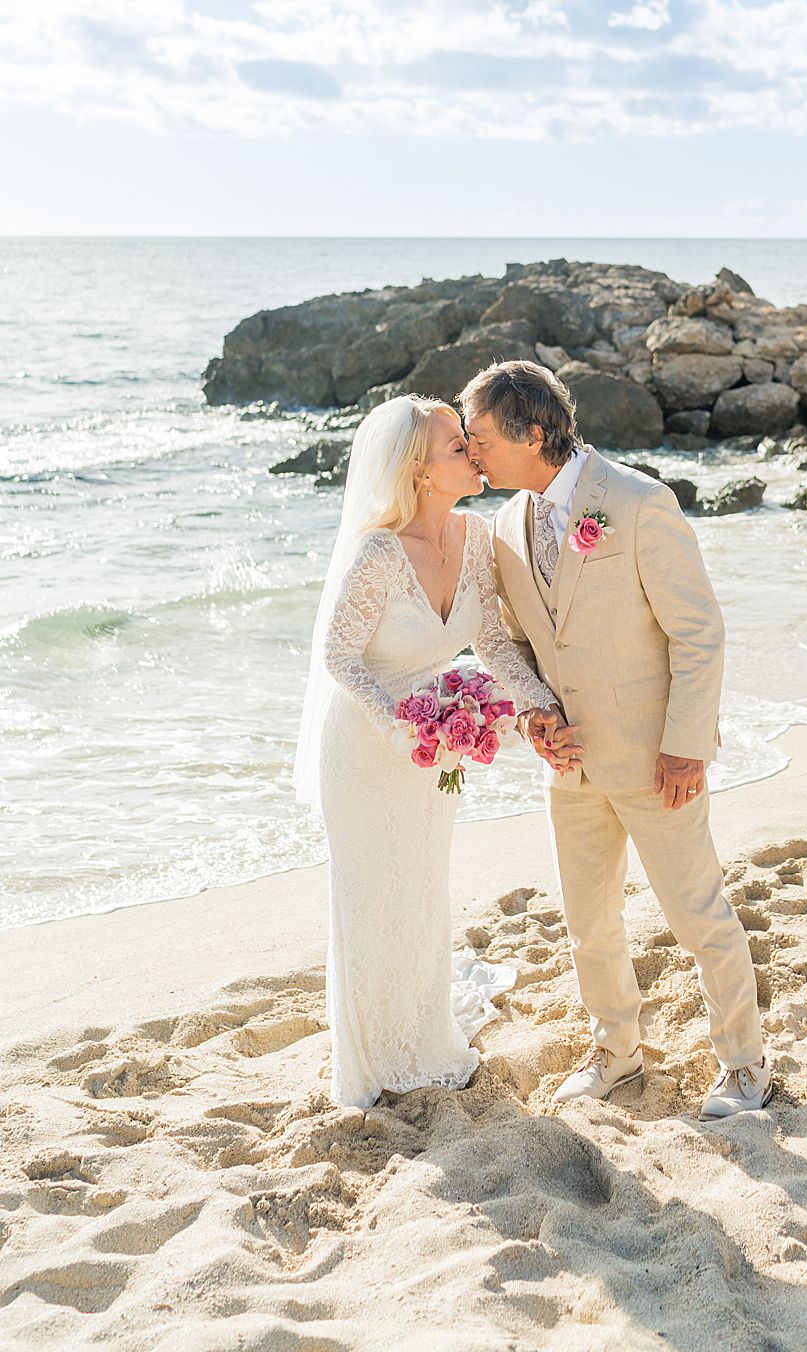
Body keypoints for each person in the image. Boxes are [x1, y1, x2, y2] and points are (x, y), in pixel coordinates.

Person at [461, 360, 771, 1120]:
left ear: (534, 432)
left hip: (653, 756)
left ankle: (744, 1063)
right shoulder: (503, 524)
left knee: (698, 913)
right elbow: (514, 645)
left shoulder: (636, 503)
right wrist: (535, 719)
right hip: (569, 766)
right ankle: (616, 1050)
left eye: (479, 439)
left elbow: (698, 632)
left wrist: (686, 745)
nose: (472, 456)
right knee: (587, 920)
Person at [293, 394, 576, 1111]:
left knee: (420, 887)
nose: (476, 455)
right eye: (459, 447)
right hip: (366, 744)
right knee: (370, 895)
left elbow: (491, 645)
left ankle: (422, 1040)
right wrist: (399, 725)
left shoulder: (475, 539)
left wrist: (536, 705)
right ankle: (370, 1059)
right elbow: (338, 657)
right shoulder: (379, 553)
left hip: (433, 746)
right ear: (420, 471)